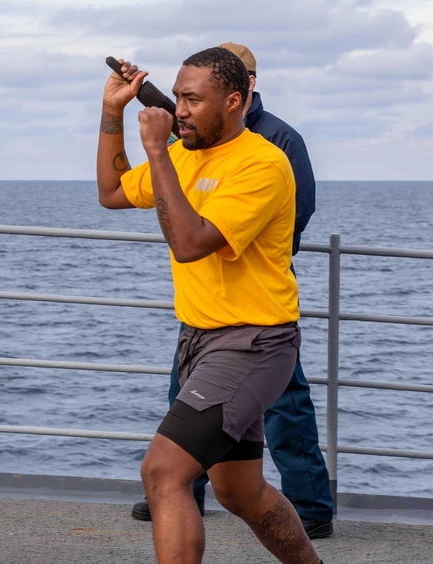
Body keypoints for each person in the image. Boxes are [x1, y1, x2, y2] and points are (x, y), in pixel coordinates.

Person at [97, 47, 322, 563]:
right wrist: (113, 112)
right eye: (177, 97)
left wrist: (156, 152)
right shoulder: (184, 153)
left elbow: (190, 243)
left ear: (236, 101)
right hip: (199, 338)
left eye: (194, 100)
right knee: (239, 492)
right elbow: (111, 191)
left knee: (163, 471)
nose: (179, 110)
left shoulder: (262, 163)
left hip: (253, 342)